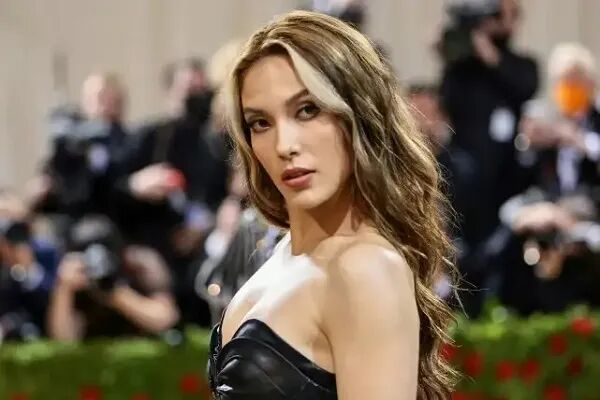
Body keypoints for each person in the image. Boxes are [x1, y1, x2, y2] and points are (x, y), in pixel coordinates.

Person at [208, 10, 457, 400]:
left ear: (358, 113)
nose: (284, 145)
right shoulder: (280, 254)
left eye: (308, 110)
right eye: (260, 123)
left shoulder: (365, 270)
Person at [47, 216, 179, 340]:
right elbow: (64, 338)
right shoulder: (75, 279)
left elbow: (165, 319)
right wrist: (64, 289)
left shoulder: (139, 265)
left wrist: (117, 295)